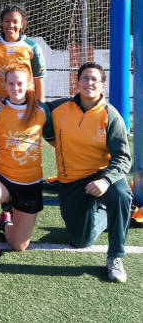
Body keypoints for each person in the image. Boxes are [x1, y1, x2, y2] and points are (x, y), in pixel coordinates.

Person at [48, 62, 132, 283]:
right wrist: (1, 100)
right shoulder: (58, 108)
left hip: (100, 175)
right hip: (71, 180)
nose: (89, 83)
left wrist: (105, 181)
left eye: (95, 79)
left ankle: (115, 257)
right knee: (80, 240)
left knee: (122, 196)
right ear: (77, 83)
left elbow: (123, 158)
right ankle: (104, 214)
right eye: (85, 78)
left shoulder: (110, 115)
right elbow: (31, 109)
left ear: (103, 85)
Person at [0, 63, 53, 266]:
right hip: (3, 177)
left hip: (30, 183)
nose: (15, 88)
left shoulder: (41, 110)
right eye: (11, 84)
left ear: (28, 84)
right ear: (5, 85)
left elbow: (54, 140)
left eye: (20, 83)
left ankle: (4, 221)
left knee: (19, 245)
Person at [0, 5, 46, 107]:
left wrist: (42, 107)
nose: (11, 25)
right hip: (1, 103)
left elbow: (39, 81)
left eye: (15, 21)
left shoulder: (32, 47)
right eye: (7, 21)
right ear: (2, 23)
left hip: (27, 103)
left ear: (22, 24)